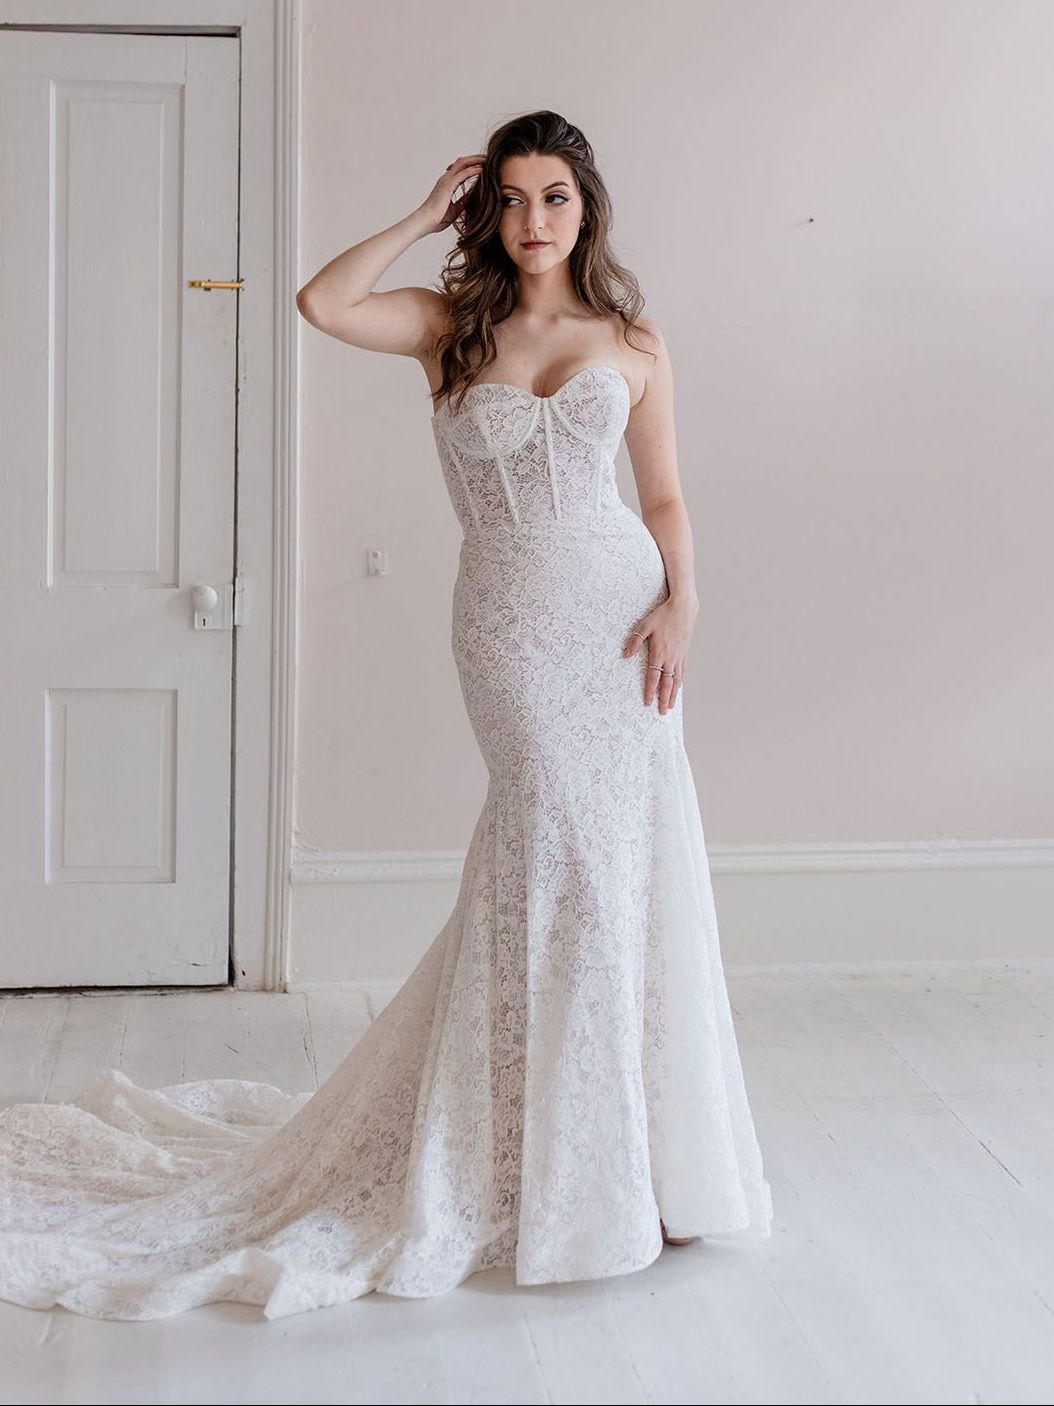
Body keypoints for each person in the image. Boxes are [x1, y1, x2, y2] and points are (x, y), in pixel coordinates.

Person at [0, 109, 772, 1322]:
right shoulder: (446, 329)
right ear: (487, 207)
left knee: (628, 869)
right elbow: (318, 301)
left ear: (588, 205)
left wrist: (685, 603)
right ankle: (524, 1160)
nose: (531, 221)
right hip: (512, 629)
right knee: (553, 851)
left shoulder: (632, 340)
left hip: (623, 626)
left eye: (554, 197)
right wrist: (423, 216)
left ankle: (643, 1165)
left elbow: (664, 496)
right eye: (510, 197)